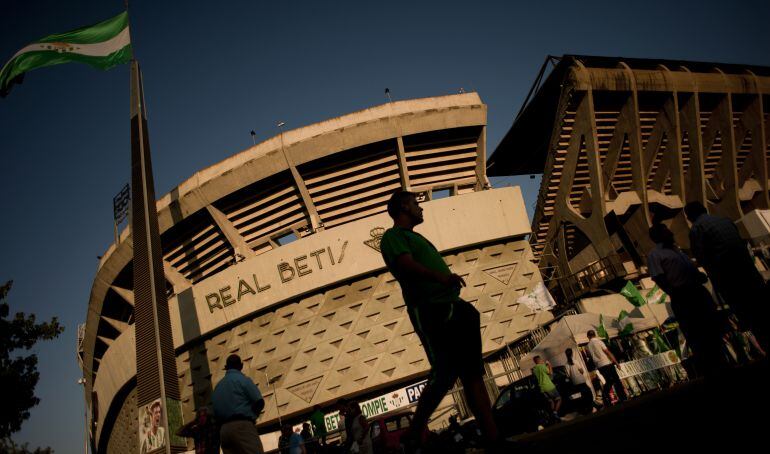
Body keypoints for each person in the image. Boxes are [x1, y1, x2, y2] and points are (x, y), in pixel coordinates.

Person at [379, 191, 500, 450]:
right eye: (415, 204)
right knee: (444, 372)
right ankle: (414, 431)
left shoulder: (414, 236)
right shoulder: (393, 237)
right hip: (431, 311)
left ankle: (493, 439)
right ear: (403, 207)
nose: (420, 208)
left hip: (454, 307)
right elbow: (406, 264)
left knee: (473, 374)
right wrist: (440, 277)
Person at [685, 201, 768, 351]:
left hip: (730, 279)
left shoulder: (697, 229)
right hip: (749, 272)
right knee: (763, 310)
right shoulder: (725, 221)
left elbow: (702, 257)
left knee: (751, 317)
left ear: (690, 217)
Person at [647, 223, 725, 375]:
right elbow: (659, 277)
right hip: (683, 295)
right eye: (665, 230)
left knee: (711, 326)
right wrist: (674, 292)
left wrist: (698, 275)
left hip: (697, 291)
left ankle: (721, 360)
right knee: (695, 332)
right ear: (658, 236)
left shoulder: (678, 250)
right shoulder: (655, 255)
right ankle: (709, 368)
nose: (670, 232)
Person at [212, 354, 265, 454]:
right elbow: (259, 401)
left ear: (226, 368)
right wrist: (254, 415)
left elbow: (215, 413)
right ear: (241, 366)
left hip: (224, 431)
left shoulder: (218, 387)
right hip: (242, 426)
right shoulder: (243, 380)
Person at [586, 330, 627, 405]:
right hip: (607, 363)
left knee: (608, 381)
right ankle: (622, 397)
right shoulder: (599, 342)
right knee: (616, 380)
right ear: (595, 335)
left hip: (600, 366)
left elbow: (590, 357)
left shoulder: (587, 346)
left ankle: (604, 396)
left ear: (588, 336)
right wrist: (616, 363)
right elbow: (607, 352)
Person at [564, 348, 594, 414]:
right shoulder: (575, 361)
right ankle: (590, 407)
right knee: (588, 393)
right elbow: (581, 371)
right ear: (572, 354)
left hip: (575, 382)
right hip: (581, 380)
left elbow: (568, 375)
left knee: (581, 395)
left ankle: (583, 409)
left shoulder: (566, 364)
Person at [531, 355, 561, 420]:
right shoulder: (542, 366)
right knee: (559, 399)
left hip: (542, 389)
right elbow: (550, 373)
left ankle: (552, 415)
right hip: (549, 386)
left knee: (551, 401)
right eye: (541, 359)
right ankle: (555, 413)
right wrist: (549, 364)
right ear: (539, 360)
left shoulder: (534, 369)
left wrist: (545, 365)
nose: (542, 360)